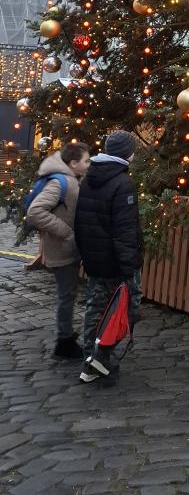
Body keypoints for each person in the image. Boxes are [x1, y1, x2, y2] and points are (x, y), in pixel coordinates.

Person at [74, 130, 142, 384]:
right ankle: (100, 357)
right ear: (128, 153)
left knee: (96, 307)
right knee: (124, 308)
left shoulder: (89, 178)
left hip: (94, 258)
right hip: (115, 261)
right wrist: (129, 266)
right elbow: (125, 231)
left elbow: (80, 222)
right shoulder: (123, 183)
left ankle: (89, 359)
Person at [26, 141, 91, 359]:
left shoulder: (71, 178)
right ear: (73, 163)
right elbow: (35, 212)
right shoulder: (61, 182)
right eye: (86, 161)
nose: (89, 164)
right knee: (66, 295)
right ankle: (64, 343)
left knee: (68, 294)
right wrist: (66, 232)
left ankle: (66, 335)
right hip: (61, 248)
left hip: (66, 246)